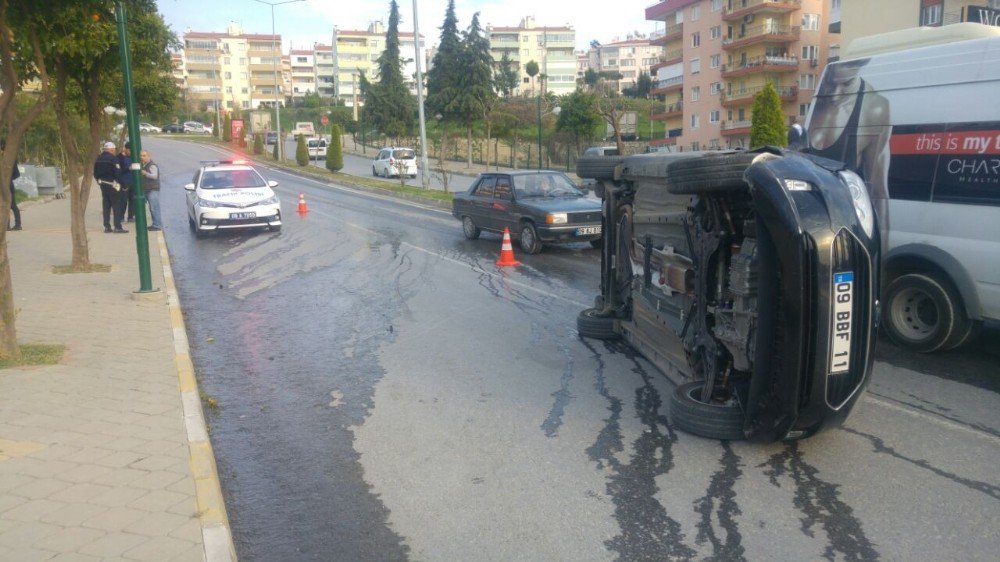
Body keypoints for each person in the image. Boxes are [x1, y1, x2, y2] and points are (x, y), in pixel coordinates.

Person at [807, 57, 891, 203]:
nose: (835, 94)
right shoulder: (816, 103)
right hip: (811, 214)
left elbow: (878, 192)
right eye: (831, 83)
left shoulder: (874, 109)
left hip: (848, 215)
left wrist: (877, 226)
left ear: (860, 72)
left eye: (846, 83)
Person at [94, 141, 127, 233]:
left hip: (103, 184)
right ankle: (117, 227)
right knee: (116, 206)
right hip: (113, 184)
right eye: (114, 150)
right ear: (112, 150)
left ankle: (107, 227)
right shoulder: (113, 159)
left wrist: (99, 182)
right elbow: (118, 174)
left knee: (106, 205)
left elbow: (95, 173)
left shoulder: (98, 158)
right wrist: (123, 185)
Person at [139, 150, 161, 231]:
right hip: (146, 189)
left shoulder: (152, 165)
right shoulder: (143, 165)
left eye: (144, 155)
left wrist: (145, 173)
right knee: (150, 207)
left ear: (149, 156)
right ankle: (155, 224)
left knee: (154, 207)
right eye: (141, 156)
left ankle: (157, 225)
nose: (142, 157)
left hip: (153, 189)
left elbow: (155, 176)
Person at [2, 139, 21, 231]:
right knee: (5, 205)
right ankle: (7, 225)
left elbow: (17, 174)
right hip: (3, 185)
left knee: (11, 205)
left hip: (8, 185)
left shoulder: (11, 159)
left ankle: (17, 224)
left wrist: (8, 179)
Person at [117, 142, 135, 223]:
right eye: (130, 151)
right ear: (126, 149)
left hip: (133, 182)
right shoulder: (120, 157)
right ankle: (121, 217)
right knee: (123, 201)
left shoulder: (133, 157)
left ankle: (130, 216)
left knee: (132, 200)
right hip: (124, 182)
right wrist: (128, 169)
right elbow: (118, 171)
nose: (131, 152)